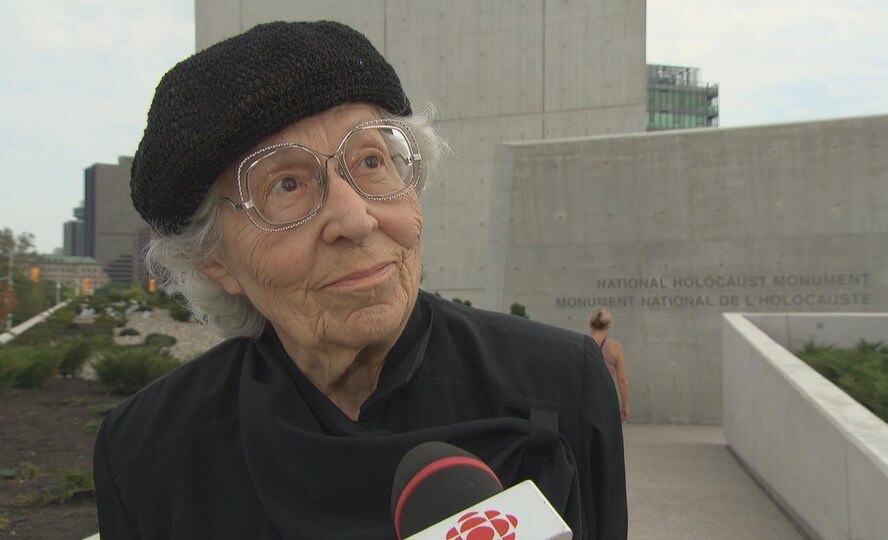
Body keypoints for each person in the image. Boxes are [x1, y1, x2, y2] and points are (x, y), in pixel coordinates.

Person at [93, 21, 627, 539]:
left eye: (371, 160)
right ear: (215, 259)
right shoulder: (148, 450)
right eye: (285, 185)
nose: (356, 219)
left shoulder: (561, 386)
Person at [589, 308, 630, 422]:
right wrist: (625, 405)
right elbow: (622, 379)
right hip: (606, 397)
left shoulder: (583, 343)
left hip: (587, 398)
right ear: (608, 325)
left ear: (591, 324)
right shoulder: (615, 347)